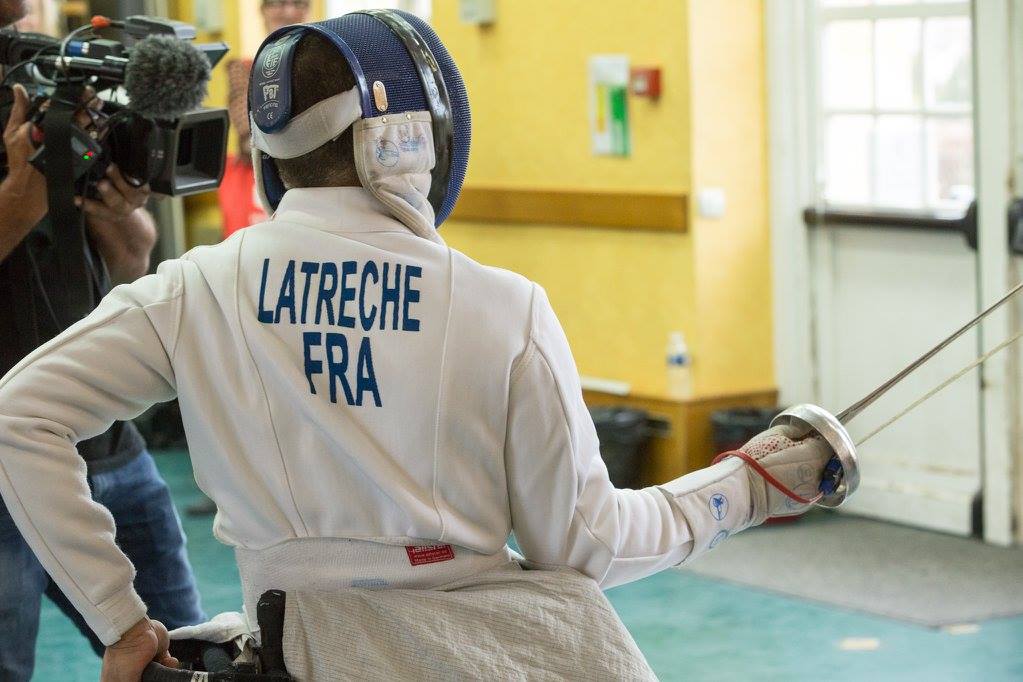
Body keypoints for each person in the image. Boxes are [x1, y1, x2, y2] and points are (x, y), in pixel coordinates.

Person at [0, 10, 838, 681]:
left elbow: (19, 415)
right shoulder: (503, 308)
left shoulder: (197, 288)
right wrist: (747, 486)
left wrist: (121, 622)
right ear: (412, 139)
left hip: (287, 646)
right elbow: (588, 545)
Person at [0, 2, 203, 679]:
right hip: (5, 463)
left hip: (109, 448)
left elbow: (130, 262)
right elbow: (31, 205)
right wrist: (25, 199)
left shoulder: (43, 74)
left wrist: (121, 212)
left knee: (186, 654)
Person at [219, 0, 310, 238]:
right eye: (278, 3)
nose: (288, 11)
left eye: (298, 3)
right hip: (262, 186)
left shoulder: (321, 67)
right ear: (263, 10)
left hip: (311, 196)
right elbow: (248, 138)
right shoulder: (243, 70)